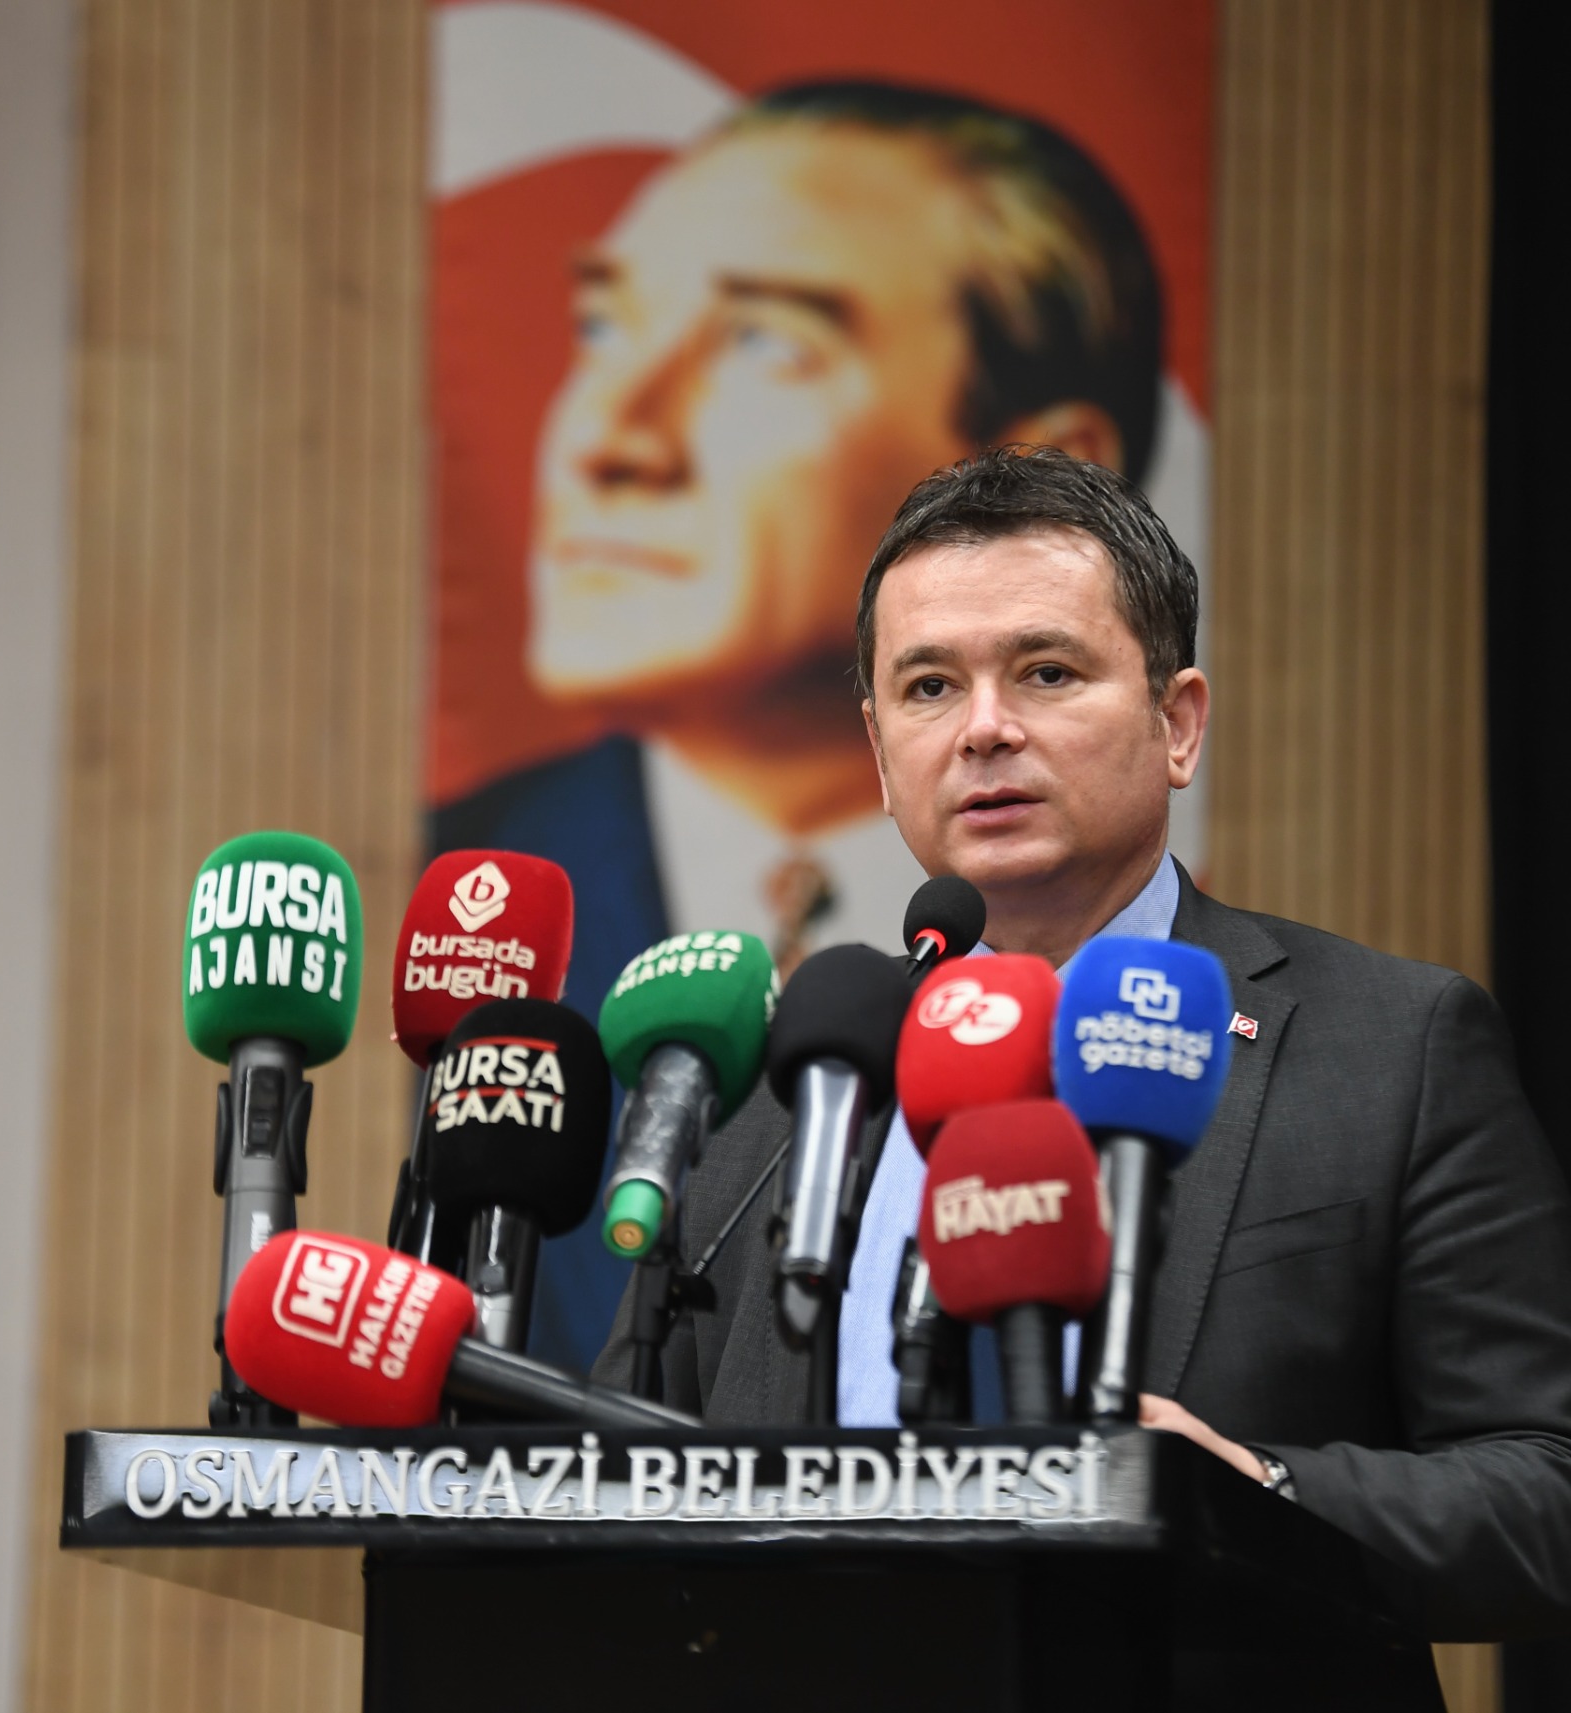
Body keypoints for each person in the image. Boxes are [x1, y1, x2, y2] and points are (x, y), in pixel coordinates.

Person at [595, 447, 1571, 1647]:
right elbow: (621, 1479)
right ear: (880, 755)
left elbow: (1559, 1506)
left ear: (1177, 724)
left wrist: (1249, 1492)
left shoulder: (1391, 1046)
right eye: (929, 687)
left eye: (1046, 672)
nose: (984, 730)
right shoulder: (793, 1086)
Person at [438, 80, 1175, 1369]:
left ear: (1046, 464)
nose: (608, 438)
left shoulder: (1375, 1050)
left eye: (764, 345)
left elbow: (1534, 1462)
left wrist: (1241, 1469)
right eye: (607, 327)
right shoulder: (478, 934)